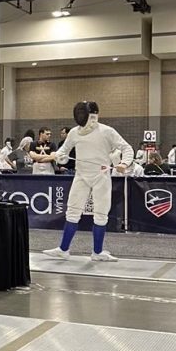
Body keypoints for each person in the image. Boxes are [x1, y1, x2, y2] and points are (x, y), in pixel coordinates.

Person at [42, 102, 133, 261]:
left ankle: (97, 253)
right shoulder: (74, 133)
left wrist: (124, 163)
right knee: (72, 212)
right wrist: (60, 157)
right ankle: (63, 249)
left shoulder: (106, 131)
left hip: (101, 176)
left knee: (100, 214)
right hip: (81, 175)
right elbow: (63, 152)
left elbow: (127, 148)